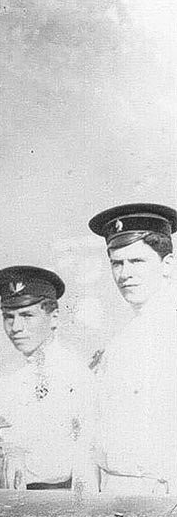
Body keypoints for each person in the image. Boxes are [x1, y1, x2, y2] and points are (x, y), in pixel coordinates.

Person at [87, 204, 177, 493]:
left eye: (137, 261)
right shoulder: (120, 340)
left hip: (162, 497)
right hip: (113, 493)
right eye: (117, 263)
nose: (125, 274)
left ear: (167, 264)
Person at [0, 266, 89, 490]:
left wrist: (12, 453)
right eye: (8, 317)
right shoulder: (6, 380)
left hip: (56, 503)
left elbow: (67, 463)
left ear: (54, 317)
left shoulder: (75, 375)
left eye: (27, 316)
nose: (16, 328)